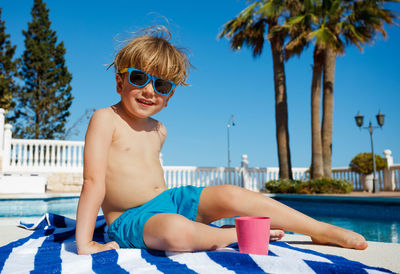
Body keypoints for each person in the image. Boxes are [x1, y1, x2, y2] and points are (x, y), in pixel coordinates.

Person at [75, 26, 368, 255]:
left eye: (161, 84)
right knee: (176, 231)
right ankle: (229, 235)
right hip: (131, 219)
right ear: (120, 81)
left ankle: (317, 228)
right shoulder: (105, 118)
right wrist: (85, 242)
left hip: (170, 201)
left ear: (169, 96)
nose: (149, 90)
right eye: (139, 78)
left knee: (231, 194)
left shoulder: (158, 129)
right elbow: (93, 182)